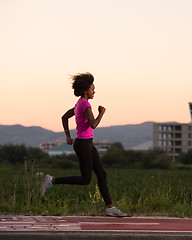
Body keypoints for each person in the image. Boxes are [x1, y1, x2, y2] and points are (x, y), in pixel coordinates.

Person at [40, 72, 127, 217]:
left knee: (101, 174)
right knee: (85, 179)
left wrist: (68, 136)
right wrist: (102, 113)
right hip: (83, 144)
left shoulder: (78, 104)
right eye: (93, 89)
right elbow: (93, 124)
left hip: (86, 143)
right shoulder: (85, 105)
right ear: (86, 90)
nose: (94, 91)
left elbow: (64, 117)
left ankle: (110, 208)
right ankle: (52, 180)